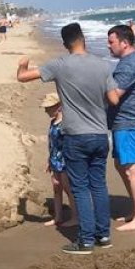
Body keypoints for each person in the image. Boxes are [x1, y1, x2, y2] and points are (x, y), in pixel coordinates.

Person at [17, 22, 116, 255]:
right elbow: (113, 99)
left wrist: (22, 63)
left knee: (80, 187)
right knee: (99, 185)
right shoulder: (103, 65)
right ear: (84, 39)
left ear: (65, 44)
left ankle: (85, 240)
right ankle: (103, 235)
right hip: (100, 134)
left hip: (76, 135)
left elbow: (23, 77)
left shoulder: (60, 65)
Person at [106, 23, 135, 231]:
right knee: (120, 165)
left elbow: (114, 96)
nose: (108, 46)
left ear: (124, 44)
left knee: (132, 168)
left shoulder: (129, 65)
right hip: (124, 122)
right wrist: (134, 34)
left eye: (111, 42)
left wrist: (99, 79)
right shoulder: (132, 58)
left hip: (129, 122)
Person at [41, 91, 77, 228]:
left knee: (68, 188)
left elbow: (69, 144)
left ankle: (76, 216)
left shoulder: (64, 124)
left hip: (65, 160)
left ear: (59, 106)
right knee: (56, 187)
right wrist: (49, 159)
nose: (46, 110)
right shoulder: (53, 123)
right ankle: (58, 217)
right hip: (54, 159)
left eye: (49, 107)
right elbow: (51, 143)